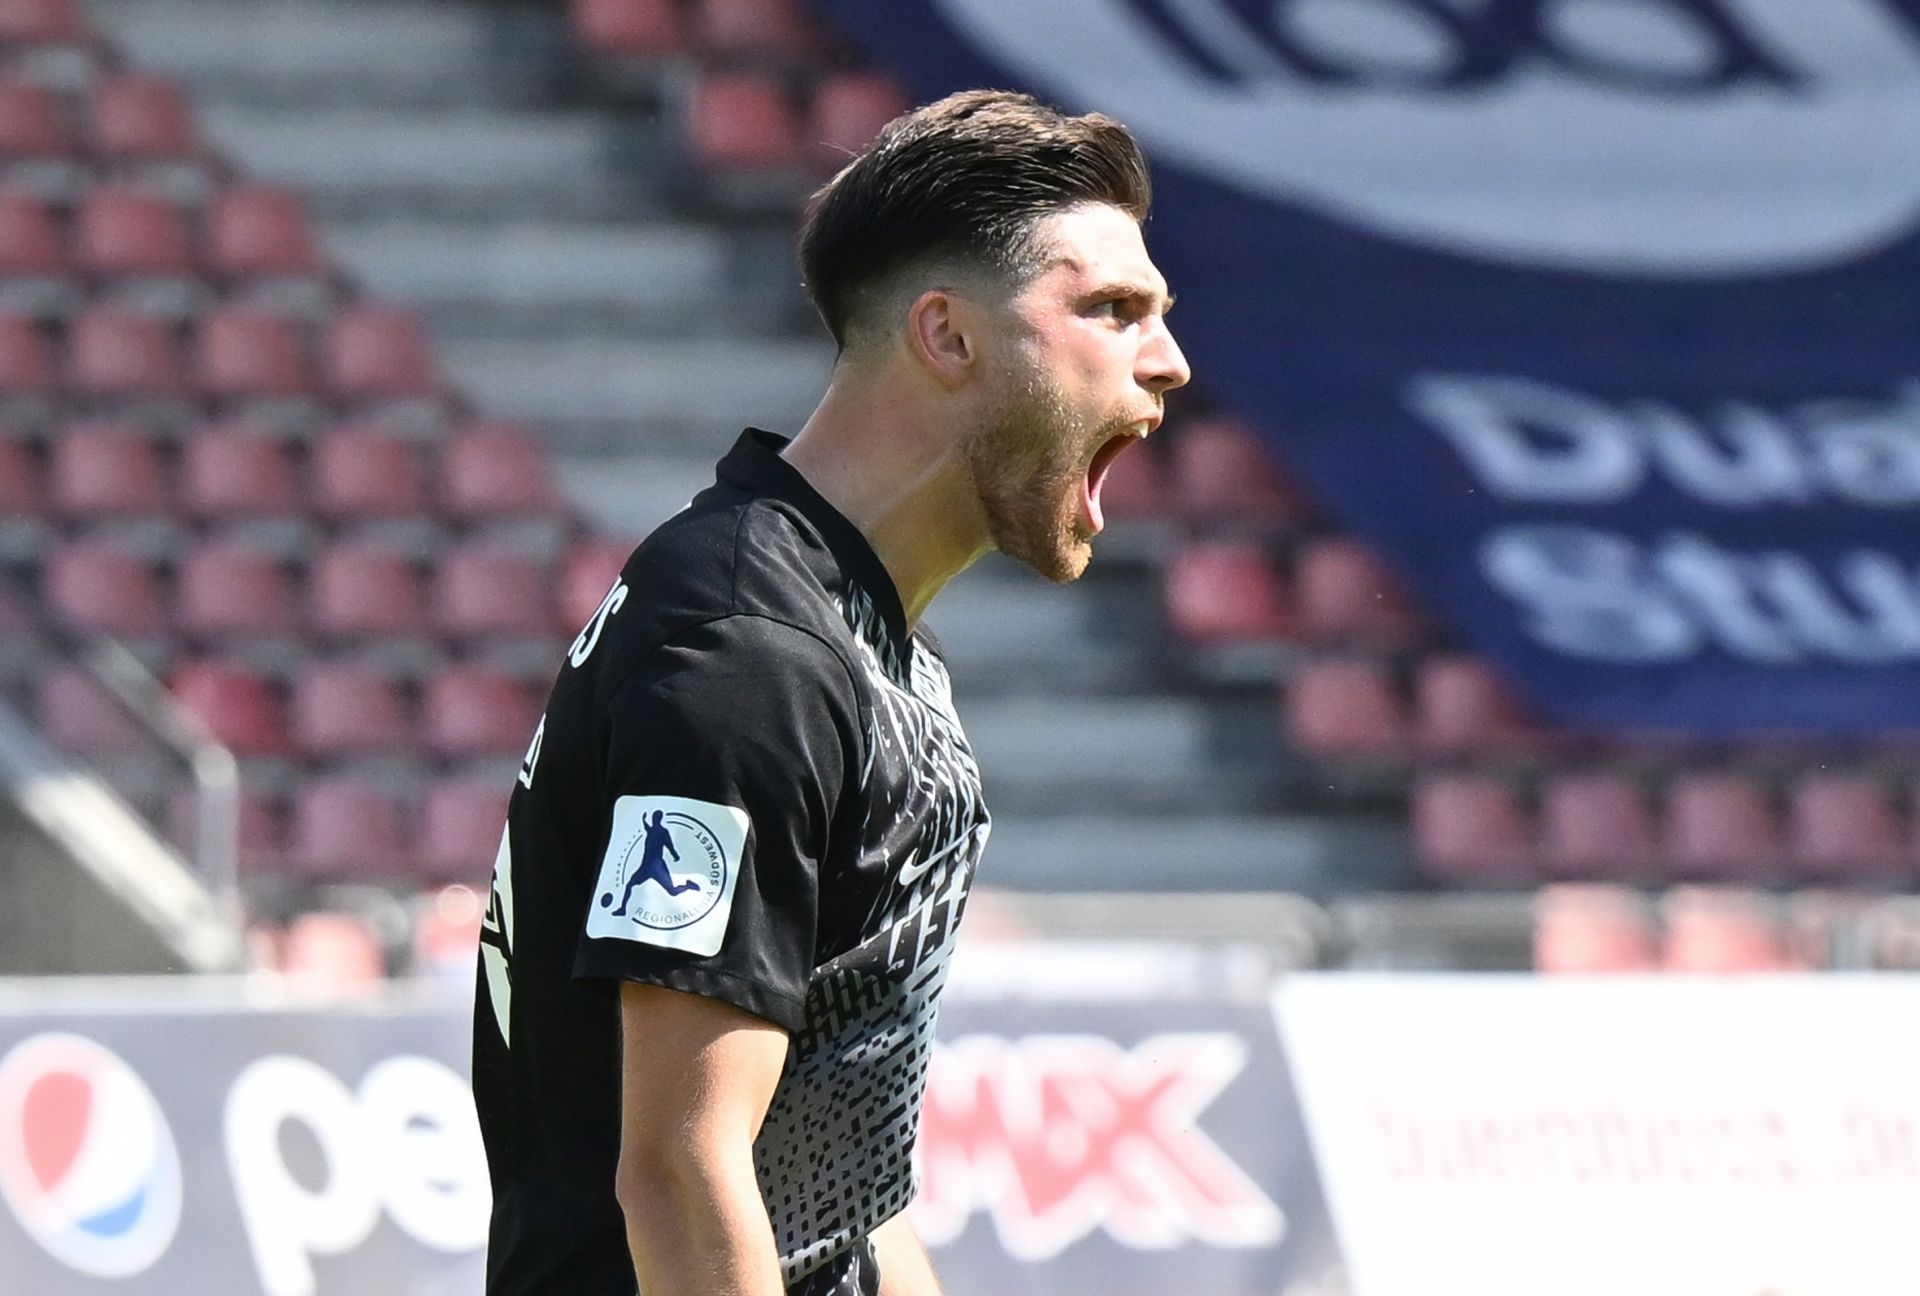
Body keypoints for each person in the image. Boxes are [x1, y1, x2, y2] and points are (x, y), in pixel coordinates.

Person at [471, 87, 1190, 1296]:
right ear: (947, 336)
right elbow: (682, 1168)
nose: (1167, 361)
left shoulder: (866, 641)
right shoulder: (748, 653)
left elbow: (839, 1185)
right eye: (1111, 310)